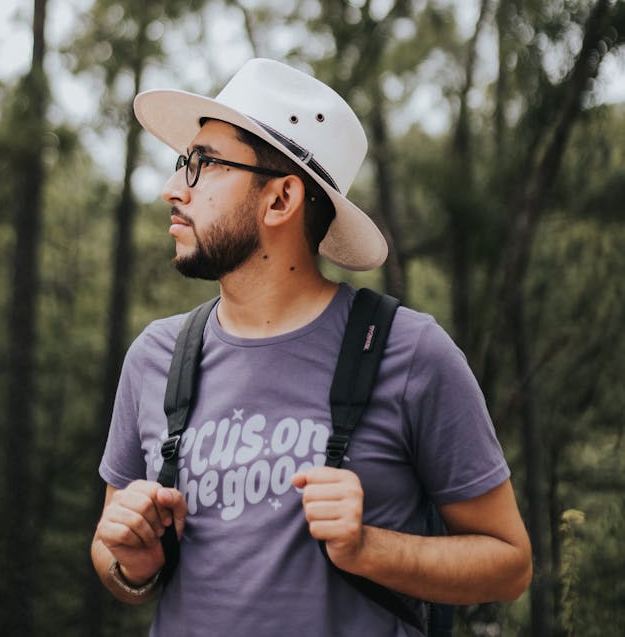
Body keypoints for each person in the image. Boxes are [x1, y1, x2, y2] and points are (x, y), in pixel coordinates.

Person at [91, 58, 532, 636]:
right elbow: (111, 553)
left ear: (281, 200)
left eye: (203, 165)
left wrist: (367, 547)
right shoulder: (157, 357)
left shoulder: (408, 351)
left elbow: (509, 564)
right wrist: (135, 566)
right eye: (182, 163)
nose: (173, 188)